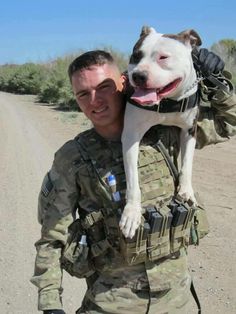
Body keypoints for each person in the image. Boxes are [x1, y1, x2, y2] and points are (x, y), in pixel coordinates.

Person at [31, 49, 236, 314]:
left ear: (124, 84)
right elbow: (52, 238)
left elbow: (228, 122)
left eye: (104, 87)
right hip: (111, 305)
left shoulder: (169, 135)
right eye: (83, 93)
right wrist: (50, 305)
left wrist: (216, 81)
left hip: (178, 302)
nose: (95, 100)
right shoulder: (73, 157)